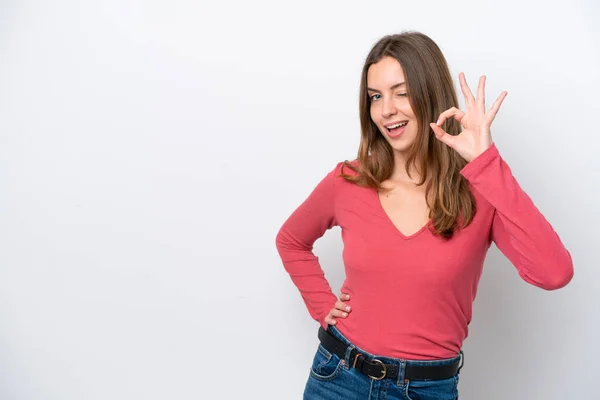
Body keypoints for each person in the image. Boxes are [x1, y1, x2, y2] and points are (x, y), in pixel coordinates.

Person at [275, 31, 573, 400]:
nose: (386, 109)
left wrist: (486, 163)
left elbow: (554, 272)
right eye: (375, 97)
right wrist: (322, 304)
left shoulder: (481, 190)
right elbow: (291, 240)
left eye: (401, 92)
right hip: (338, 377)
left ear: (430, 93)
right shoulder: (349, 180)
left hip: (426, 389)